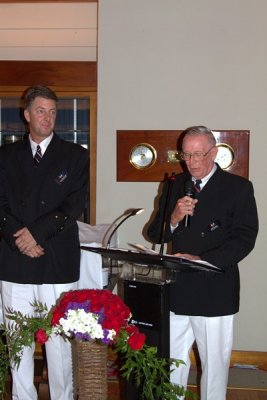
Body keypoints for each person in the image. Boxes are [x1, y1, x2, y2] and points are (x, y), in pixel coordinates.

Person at [147, 125, 258, 400]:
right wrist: (173, 217)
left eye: (199, 154)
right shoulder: (174, 185)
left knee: (214, 369)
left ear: (215, 153)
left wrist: (204, 260)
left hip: (215, 290)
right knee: (170, 364)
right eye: (186, 155)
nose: (192, 162)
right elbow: (153, 233)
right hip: (177, 290)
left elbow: (244, 239)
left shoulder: (238, 188)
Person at [0, 85, 89, 400]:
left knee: (58, 342)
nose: (48, 117)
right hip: (15, 260)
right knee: (18, 342)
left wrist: (36, 234)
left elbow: (73, 205)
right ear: (26, 115)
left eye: (53, 112)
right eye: (41, 110)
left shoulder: (76, 156)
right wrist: (21, 238)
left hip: (55, 259)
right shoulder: (5, 155)